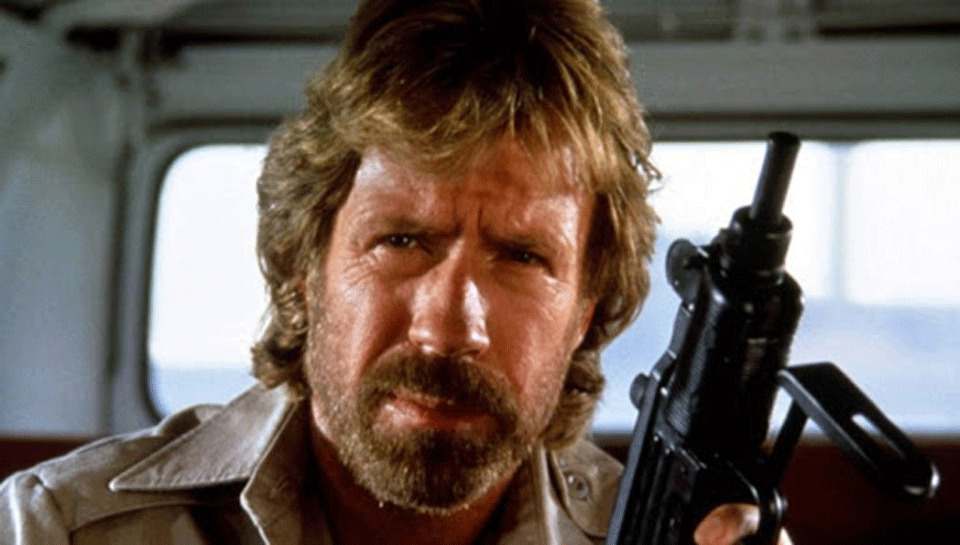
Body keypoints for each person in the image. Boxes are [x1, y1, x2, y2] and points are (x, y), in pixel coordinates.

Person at [0, 1, 791, 544]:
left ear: (585, 310)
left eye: (522, 256)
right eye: (403, 240)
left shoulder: (664, 537)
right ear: (306, 268)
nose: (449, 327)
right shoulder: (57, 529)